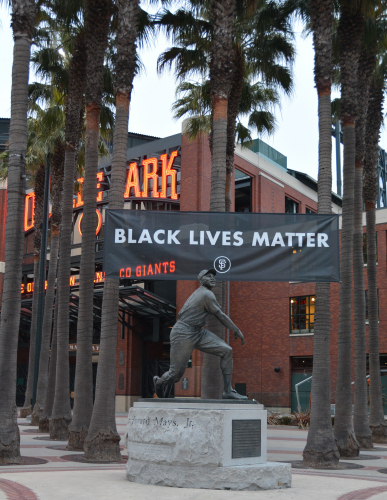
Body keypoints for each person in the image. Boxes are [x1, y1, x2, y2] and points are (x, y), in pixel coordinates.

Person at [154, 268, 247, 399]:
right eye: (208, 276)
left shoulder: (206, 293)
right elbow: (220, 315)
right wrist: (236, 330)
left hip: (198, 331)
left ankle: (227, 391)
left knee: (227, 350)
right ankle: (159, 381)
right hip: (183, 332)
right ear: (201, 280)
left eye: (213, 276)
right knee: (175, 375)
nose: (212, 278)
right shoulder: (206, 294)